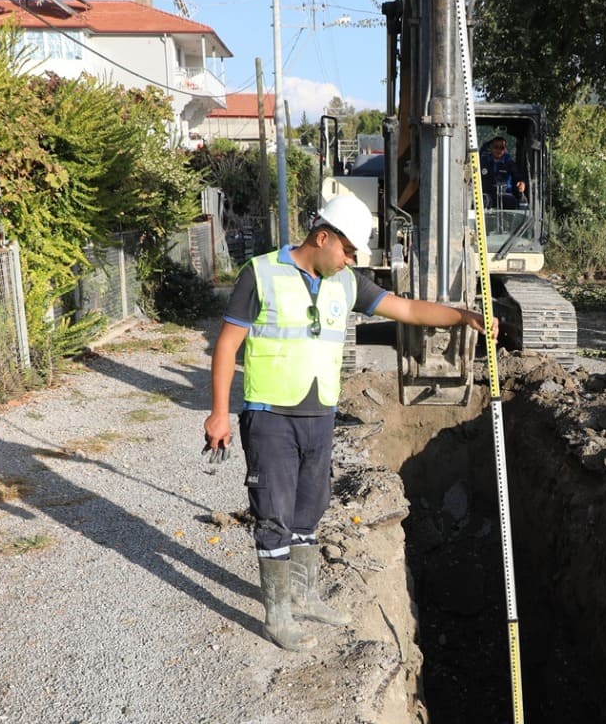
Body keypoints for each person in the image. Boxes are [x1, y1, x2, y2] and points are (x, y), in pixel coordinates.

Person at [203, 193, 491, 651]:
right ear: (322, 237)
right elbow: (226, 346)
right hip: (271, 414)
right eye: (349, 251)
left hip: (320, 414)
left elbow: (409, 310)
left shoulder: (346, 284)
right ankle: (277, 614)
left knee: (310, 509)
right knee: (273, 514)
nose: (352, 261)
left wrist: (463, 316)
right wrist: (219, 413)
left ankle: (307, 593)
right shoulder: (260, 274)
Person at [481, 135, 526, 209]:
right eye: (496, 147)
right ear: (491, 147)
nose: (498, 150)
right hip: (488, 196)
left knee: (512, 202)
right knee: (482, 201)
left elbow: (519, 177)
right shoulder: (483, 162)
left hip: (506, 196)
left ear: (505, 150)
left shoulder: (510, 164)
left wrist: (522, 183)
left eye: (501, 148)